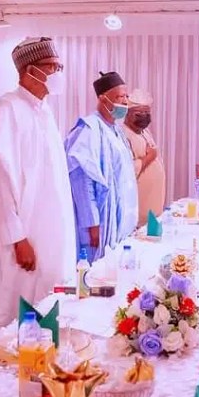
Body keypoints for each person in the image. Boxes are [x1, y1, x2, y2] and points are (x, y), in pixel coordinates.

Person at [0, 38, 77, 336]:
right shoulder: (4, 110)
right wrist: (17, 238)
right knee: (16, 307)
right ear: (30, 70)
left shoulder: (43, 111)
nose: (58, 73)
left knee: (51, 298)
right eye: (52, 67)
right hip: (23, 236)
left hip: (50, 229)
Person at [65, 71, 138, 261]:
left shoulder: (116, 130)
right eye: (119, 97)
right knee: (94, 269)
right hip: (98, 223)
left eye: (126, 97)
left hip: (119, 219)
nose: (125, 102)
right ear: (102, 99)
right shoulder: (88, 129)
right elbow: (81, 179)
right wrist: (92, 223)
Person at [124, 88, 166, 226]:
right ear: (127, 114)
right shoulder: (123, 135)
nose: (144, 116)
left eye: (147, 113)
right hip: (138, 203)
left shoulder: (144, 131)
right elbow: (127, 170)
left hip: (153, 204)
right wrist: (150, 157)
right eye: (139, 113)